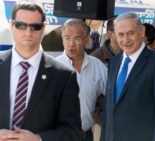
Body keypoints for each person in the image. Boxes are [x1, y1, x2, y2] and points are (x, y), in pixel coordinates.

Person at [0, 0, 82, 141]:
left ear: (44, 27)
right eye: (21, 25)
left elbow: (73, 130)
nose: (28, 32)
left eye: (35, 26)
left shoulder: (64, 76)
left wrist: (39, 139)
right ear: (11, 25)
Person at [101, 12, 155, 141]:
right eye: (120, 34)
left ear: (142, 31)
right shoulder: (114, 62)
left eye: (130, 33)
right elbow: (109, 111)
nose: (125, 40)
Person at [56, 18, 107, 141]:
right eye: (67, 38)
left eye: (77, 39)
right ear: (62, 40)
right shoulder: (53, 67)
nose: (71, 44)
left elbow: (112, 98)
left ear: (86, 40)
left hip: (86, 136)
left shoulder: (98, 66)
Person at [90, 15, 121, 141]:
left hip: (127, 123)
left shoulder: (132, 57)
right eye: (120, 33)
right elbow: (89, 94)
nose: (126, 37)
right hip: (101, 124)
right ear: (110, 34)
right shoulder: (95, 59)